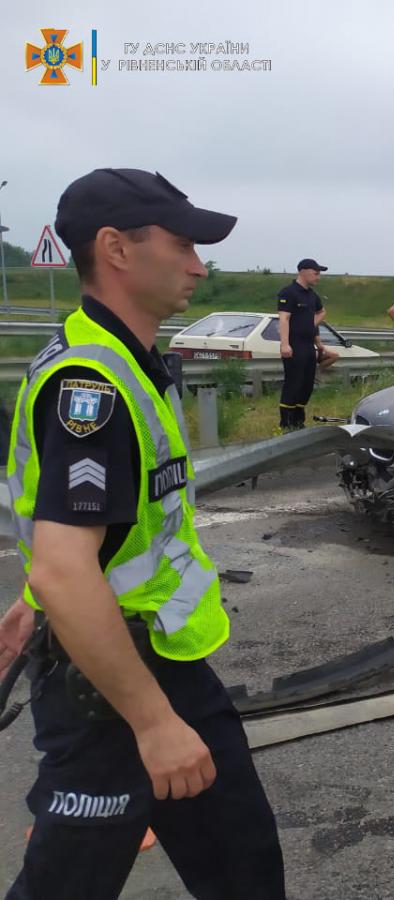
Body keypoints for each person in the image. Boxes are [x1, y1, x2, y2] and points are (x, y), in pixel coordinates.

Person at [0, 168, 285, 898]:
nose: (199, 265)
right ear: (116, 250)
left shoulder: (128, 362)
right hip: (112, 690)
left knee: (244, 865)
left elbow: (96, 536)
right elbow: (69, 567)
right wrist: (153, 723)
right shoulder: (88, 386)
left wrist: (42, 593)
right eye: (184, 244)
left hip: (160, 657)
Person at [276, 257, 328, 430]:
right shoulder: (289, 292)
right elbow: (283, 318)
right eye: (315, 273)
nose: (318, 277)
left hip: (308, 345)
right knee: (294, 382)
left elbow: (322, 312)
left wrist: (311, 327)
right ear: (303, 271)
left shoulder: (312, 296)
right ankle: (286, 422)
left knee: (306, 384)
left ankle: (299, 420)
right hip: (294, 345)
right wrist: (285, 344)